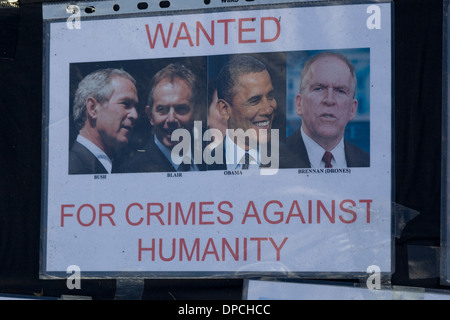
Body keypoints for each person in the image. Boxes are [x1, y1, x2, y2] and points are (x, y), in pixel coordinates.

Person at [285, 52, 370, 168]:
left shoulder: (367, 162)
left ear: (352, 109)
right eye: (319, 88)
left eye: (340, 91)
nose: (329, 100)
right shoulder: (274, 160)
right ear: (299, 104)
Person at [119, 63, 204, 172]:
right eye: (162, 109)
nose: (171, 119)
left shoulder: (211, 160)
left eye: (181, 109)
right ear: (150, 116)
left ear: (196, 113)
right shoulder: (132, 171)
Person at [207, 55, 278, 171]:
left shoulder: (293, 160)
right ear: (224, 109)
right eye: (255, 100)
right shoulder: (203, 164)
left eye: (270, 96)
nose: (268, 109)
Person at [69, 68, 139, 174]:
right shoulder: (74, 169)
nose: (135, 115)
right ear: (92, 108)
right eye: (125, 104)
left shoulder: (112, 167)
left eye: (135, 107)